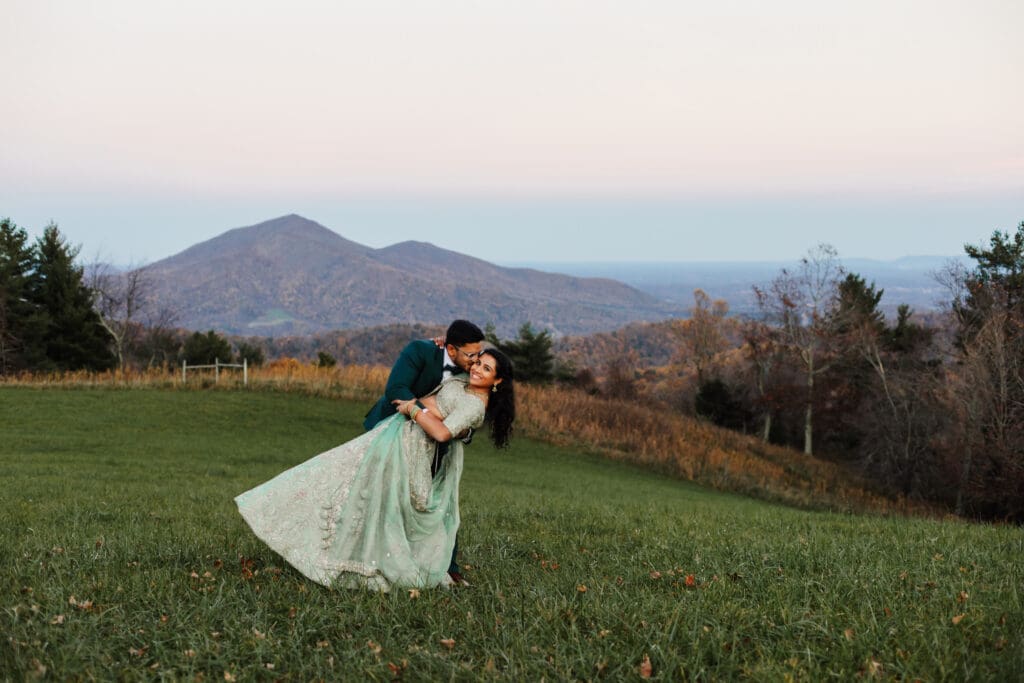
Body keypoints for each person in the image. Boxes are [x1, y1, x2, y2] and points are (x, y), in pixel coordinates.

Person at [234, 347, 515, 592]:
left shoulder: (474, 405)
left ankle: (349, 557)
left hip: (411, 447)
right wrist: (439, 344)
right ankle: (298, 526)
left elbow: (442, 434)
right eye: (478, 362)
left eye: (486, 368)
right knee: (338, 474)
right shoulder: (465, 382)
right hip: (397, 434)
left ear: (498, 380)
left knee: (367, 492)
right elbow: (453, 362)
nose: (477, 369)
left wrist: (413, 409)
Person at [362, 320, 485, 585]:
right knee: (383, 498)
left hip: (437, 448)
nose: (476, 360)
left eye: (479, 354)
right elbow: (396, 389)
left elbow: (470, 411)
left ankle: (445, 566)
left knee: (438, 502)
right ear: (451, 350)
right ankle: (373, 558)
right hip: (389, 434)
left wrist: (462, 431)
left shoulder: (474, 372)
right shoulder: (419, 351)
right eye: (471, 355)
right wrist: (427, 417)